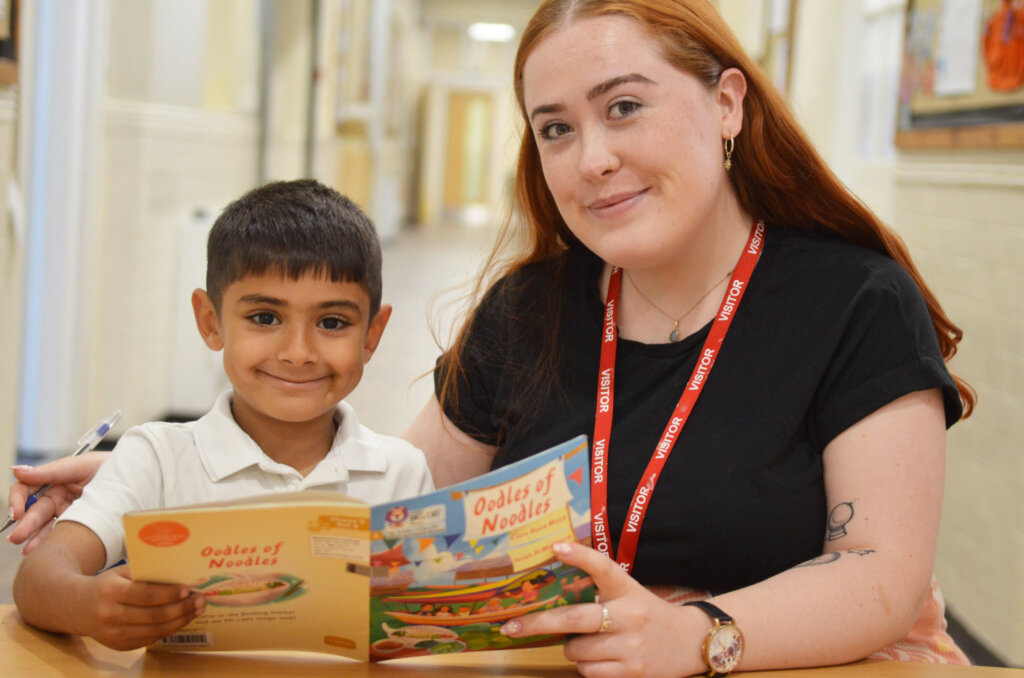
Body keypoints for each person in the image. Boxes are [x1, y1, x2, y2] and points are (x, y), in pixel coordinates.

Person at [9, 2, 976, 675]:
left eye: (624, 107)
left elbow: (880, 574)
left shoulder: (852, 299)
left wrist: (698, 636)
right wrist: (192, 471)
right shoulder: (533, 307)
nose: (591, 160)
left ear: (726, 104)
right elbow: (391, 505)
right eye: (554, 129)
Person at [11, 179, 433, 651]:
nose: (298, 353)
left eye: (332, 323)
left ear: (372, 335)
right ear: (211, 322)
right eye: (265, 318)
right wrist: (88, 604)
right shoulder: (155, 458)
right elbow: (36, 579)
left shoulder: (403, 472)